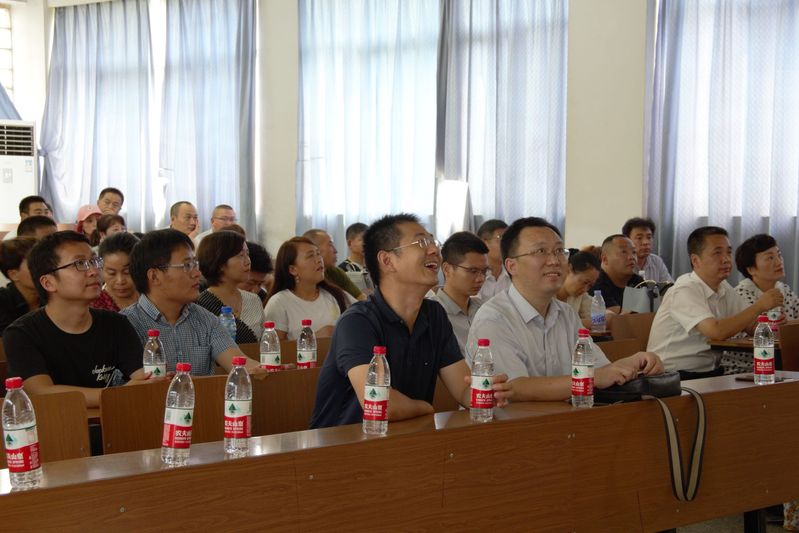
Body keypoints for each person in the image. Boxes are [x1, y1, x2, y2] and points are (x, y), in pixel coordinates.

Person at [310, 213, 511, 429]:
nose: (434, 250)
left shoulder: (434, 315)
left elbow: (462, 389)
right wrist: (427, 408)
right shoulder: (357, 322)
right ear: (387, 261)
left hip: (404, 437)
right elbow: (382, 404)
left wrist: (484, 393)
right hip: (344, 442)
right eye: (421, 243)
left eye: (433, 242)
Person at [466, 217, 662, 401]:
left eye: (559, 251)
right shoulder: (493, 319)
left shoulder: (566, 314)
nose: (554, 260)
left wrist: (633, 362)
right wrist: (591, 378)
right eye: (540, 251)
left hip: (566, 419)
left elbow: (599, 369)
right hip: (513, 423)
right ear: (512, 266)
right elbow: (512, 388)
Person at [2, 231, 157, 408]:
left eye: (94, 261)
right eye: (79, 264)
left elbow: (143, 380)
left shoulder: (116, 324)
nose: (93, 271)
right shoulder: (21, 333)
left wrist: (147, 384)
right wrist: (118, 394)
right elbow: (42, 392)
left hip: (108, 421)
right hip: (53, 422)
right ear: (48, 283)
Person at [122, 229, 264, 376]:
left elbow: (239, 363)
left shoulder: (206, 320)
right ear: (154, 276)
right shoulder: (127, 325)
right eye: (187, 266)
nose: (197, 273)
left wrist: (267, 369)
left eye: (195, 264)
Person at [646, 226, 783, 378]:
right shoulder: (684, 289)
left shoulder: (723, 287)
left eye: (728, 252)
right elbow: (716, 332)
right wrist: (759, 306)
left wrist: (774, 325)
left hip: (710, 373)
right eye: (717, 253)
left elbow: (751, 325)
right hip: (672, 376)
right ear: (695, 260)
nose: (726, 259)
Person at [725, 234, 799, 374]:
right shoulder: (740, 295)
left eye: (779, 255)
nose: (779, 262)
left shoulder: (785, 290)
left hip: (783, 365)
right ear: (751, 269)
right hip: (746, 368)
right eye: (770, 258)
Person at [264, 237, 354, 340]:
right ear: (293, 269)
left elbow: (363, 312)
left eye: (318, 254)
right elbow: (275, 347)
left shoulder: (334, 294)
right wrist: (312, 338)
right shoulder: (279, 303)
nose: (319, 260)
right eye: (310, 256)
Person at [196, 231, 263, 343]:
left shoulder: (254, 300)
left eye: (247, 254)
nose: (248, 261)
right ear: (219, 263)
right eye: (241, 255)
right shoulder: (201, 305)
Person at [429, 231, 488, 353]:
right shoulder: (432, 315)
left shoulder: (485, 310)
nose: (481, 278)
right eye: (473, 271)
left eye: (484, 271)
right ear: (447, 269)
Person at [303, 229, 365, 301]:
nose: (336, 251)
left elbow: (360, 298)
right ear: (315, 249)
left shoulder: (335, 272)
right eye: (330, 245)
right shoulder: (305, 278)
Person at [589, 234, 644, 313]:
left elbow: (646, 313)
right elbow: (618, 317)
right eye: (624, 252)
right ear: (605, 259)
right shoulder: (594, 283)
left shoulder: (636, 281)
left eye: (634, 252)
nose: (631, 257)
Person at [91, 232, 140, 313]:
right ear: (101, 269)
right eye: (112, 273)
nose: (120, 281)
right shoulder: (95, 307)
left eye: (127, 272)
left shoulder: (152, 295)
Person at [0, 237, 40, 333]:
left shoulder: (52, 295)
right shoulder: (3, 301)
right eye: (34, 264)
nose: (44, 268)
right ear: (14, 275)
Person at [555, 250, 601, 329]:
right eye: (585, 282)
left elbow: (601, 318)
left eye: (590, 286)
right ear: (568, 269)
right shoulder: (546, 293)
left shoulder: (581, 296)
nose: (585, 289)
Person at [622, 217, 673, 282]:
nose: (646, 242)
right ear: (627, 240)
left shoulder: (656, 261)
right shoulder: (621, 263)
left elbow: (670, 286)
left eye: (649, 237)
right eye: (639, 238)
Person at [476, 219, 510, 301]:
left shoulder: (513, 273)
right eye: (501, 239)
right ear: (484, 243)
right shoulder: (473, 274)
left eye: (509, 240)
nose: (507, 245)